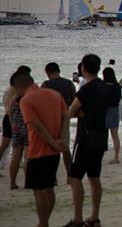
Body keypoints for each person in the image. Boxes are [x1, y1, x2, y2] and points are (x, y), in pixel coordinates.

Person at [14, 70, 69, 227]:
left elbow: (36, 126)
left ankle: (43, 223)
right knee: (49, 187)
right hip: (54, 151)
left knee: (39, 190)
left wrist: (52, 142)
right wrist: (61, 139)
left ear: (18, 88)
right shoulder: (54, 94)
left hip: (38, 151)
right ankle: (44, 222)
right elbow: (66, 115)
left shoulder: (26, 101)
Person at [67, 54, 109, 227]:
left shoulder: (86, 89)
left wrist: (80, 113)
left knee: (75, 177)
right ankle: (94, 217)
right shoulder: (104, 87)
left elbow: (71, 111)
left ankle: (78, 219)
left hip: (85, 137)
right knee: (94, 177)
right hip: (101, 135)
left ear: (83, 68)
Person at [42, 62, 76, 177]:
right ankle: (70, 175)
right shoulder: (69, 83)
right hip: (64, 117)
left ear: (47, 73)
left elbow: (41, 103)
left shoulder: (46, 84)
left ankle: (53, 178)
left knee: (51, 149)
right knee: (65, 148)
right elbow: (74, 101)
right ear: (58, 71)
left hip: (50, 119)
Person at [102, 68, 122, 164]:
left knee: (102, 135)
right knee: (115, 136)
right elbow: (119, 98)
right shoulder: (117, 86)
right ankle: (116, 157)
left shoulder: (103, 86)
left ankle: (99, 156)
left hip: (105, 111)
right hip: (115, 110)